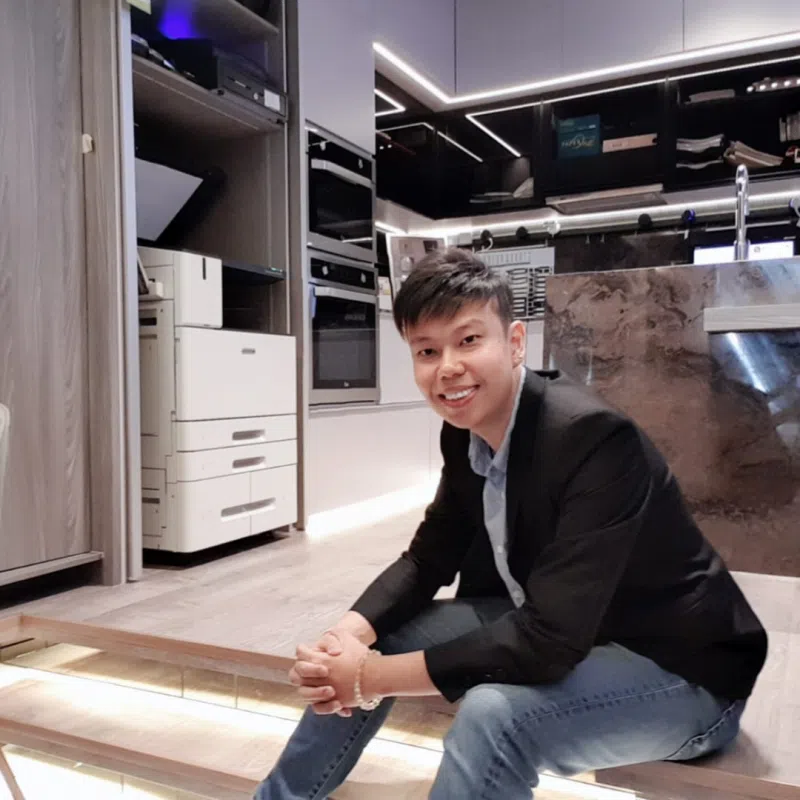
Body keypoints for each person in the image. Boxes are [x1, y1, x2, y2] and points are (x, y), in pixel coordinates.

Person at [255, 247, 767, 800]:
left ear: (516, 342)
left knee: (494, 716)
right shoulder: (465, 433)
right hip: (575, 629)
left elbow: (548, 640)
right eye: (427, 350)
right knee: (388, 631)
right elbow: (428, 558)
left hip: (678, 671)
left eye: (469, 340)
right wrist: (343, 640)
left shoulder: (593, 439)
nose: (447, 367)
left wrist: (365, 678)